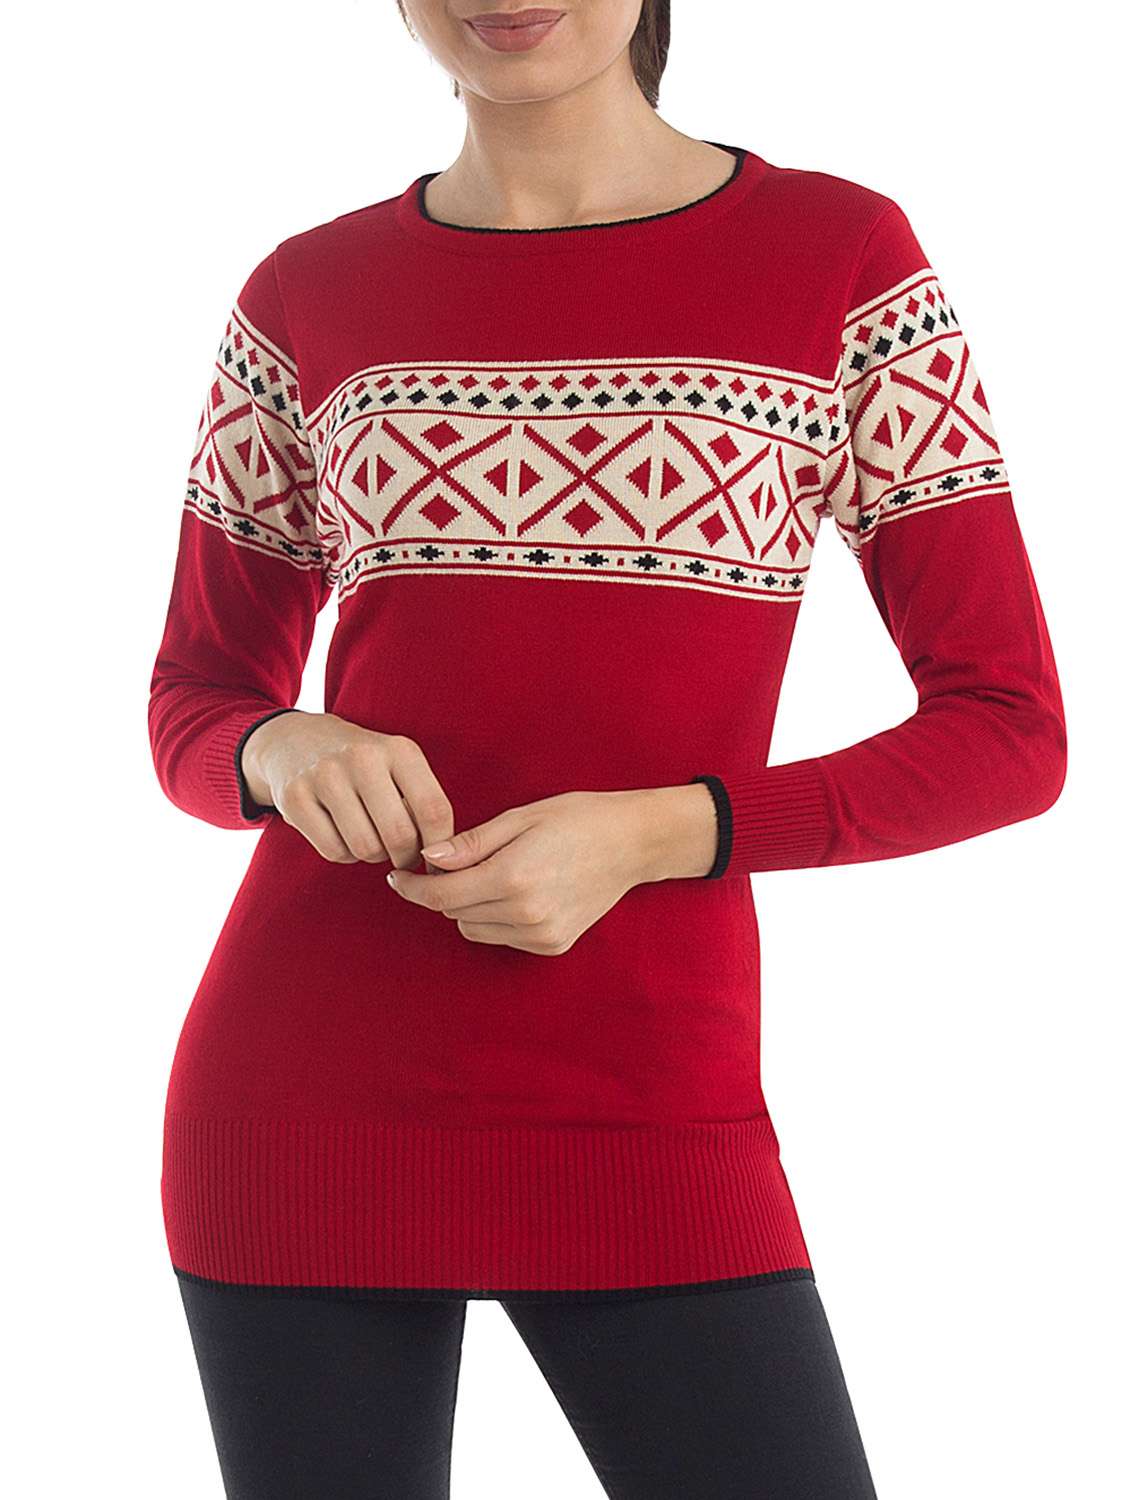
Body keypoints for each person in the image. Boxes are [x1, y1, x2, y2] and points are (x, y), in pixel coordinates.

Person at [147, 2, 1067, 1495]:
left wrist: (658, 832)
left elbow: (1010, 730)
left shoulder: (840, 257)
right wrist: (281, 745)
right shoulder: (306, 291)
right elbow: (193, 700)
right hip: (302, 1097)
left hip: (651, 1092)